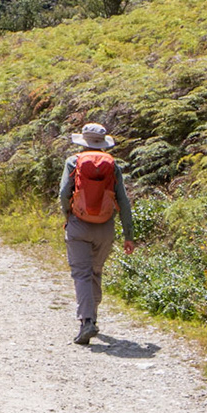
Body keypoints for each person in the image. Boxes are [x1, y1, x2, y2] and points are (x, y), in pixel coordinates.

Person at [59, 122, 137, 345]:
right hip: (105, 227)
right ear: (103, 144)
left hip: (78, 224)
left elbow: (64, 194)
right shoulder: (112, 166)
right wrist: (128, 234)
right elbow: (123, 201)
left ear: (82, 141)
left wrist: (68, 216)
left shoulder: (73, 162)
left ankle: (87, 321)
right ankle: (93, 310)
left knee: (81, 273)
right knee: (95, 271)